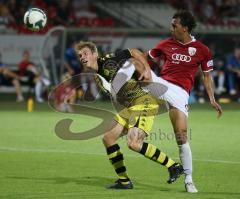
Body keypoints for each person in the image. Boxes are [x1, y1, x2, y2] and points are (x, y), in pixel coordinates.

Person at [74, 41, 184, 189]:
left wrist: (146, 69)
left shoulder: (108, 61)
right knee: (108, 138)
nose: (82, 57)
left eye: (85, 53)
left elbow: (133, 53)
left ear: (95, 54)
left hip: (144, 102)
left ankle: (173, 166)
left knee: (134, 143)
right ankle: (124, 181)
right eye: (80, 55)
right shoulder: (97, 77)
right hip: (131, 107)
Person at [137, 10, 222, 193]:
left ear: (184, 28)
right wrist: (144, 69)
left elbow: (207, 77)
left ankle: (189, 180)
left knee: (181, 135)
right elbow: (145, 56)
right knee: (136, 59)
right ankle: (112, 82)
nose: (171, 28)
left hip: (180, 93)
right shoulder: (166, 44)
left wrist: (212, 99)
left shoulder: (202, 50)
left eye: (174, 25)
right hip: (162, 83)